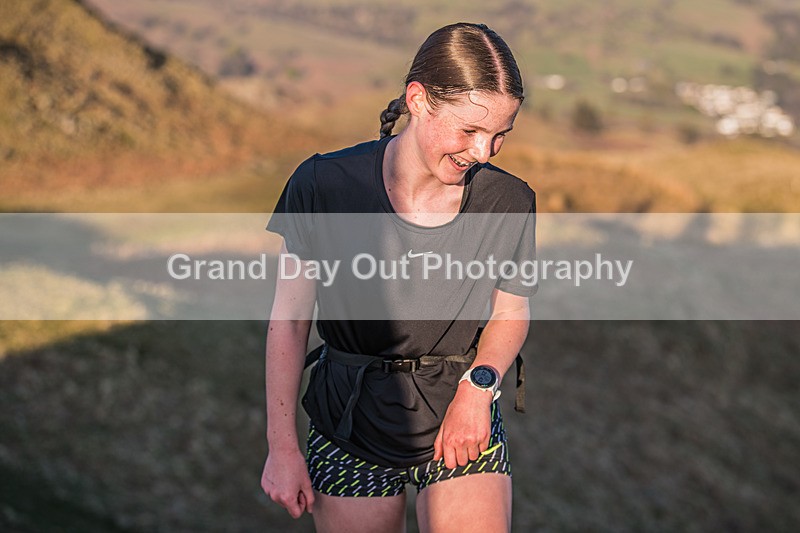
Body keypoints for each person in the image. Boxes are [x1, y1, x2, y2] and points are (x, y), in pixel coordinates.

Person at [261, 22, 536, 532]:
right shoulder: (322, 184)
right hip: (348, 419)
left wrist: (480, 389)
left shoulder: (509, 201)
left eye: (501, 135)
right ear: (418, 100)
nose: (484, 152)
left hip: (461, 406)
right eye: (469, 131)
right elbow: (291, 320)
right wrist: (282, 449)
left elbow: (510, 313)